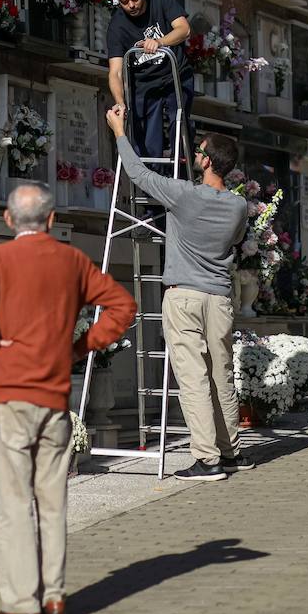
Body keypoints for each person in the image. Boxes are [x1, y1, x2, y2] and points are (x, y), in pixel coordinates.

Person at [0, 184, 136, 614]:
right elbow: (122, 305)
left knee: (14, 504)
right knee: (53, 503)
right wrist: (79, 347)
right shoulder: (72, 260)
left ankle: (23, 605)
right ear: (52, 220)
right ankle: (55, 598)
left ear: (8, 219)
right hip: (55, 395)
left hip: (12, 392)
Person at [106, 105, 250, 482]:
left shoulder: (183, 195)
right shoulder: (238, 205)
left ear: (206, 161)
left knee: (193, 380)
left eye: (199, 151)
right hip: (219, 298)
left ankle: (207, 460)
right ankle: (231, 451)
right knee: (222, 376)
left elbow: (137, 173)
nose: (194, 154)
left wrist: (119, 130)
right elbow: (235, 242)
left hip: (184, 296)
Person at [105, 0, 193, 160]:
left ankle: (181, 168)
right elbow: (115, 73)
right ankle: (152, 182)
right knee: (147, 140)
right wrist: (120, 102)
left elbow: (184, 29)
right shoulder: (117, 26)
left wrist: (160, 42)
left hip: (175, 74)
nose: (131, 5)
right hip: (144, 84)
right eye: (124, 2)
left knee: (178, 123)